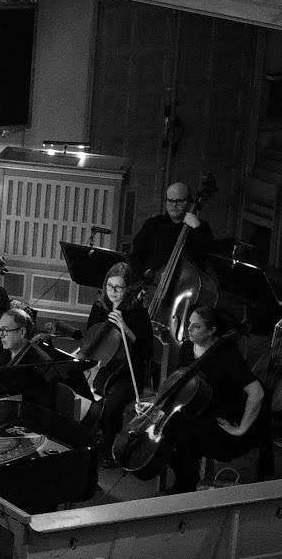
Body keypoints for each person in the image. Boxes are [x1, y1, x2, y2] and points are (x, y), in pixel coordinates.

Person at [164, 307, 268, 494]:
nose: (189, 329)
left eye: (196, 326)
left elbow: (257, 392)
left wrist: (241, 428)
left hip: (221, 418)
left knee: (186, 436)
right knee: (164, 431)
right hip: (195, 408)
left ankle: (185, 486)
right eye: (189, 324)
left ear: (211, 331)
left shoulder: (226, 355)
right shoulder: (187, 348)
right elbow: (180, 383)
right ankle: (186, 480)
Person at [82, 262, 153, 452]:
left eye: (118, 287)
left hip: (128, 373)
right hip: (99, 368)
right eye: (109, 286)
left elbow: (146, 351)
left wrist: (125, 328)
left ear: (128, 288)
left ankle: (110, 448)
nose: (112, 291)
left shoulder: (138, 314)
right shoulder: (99, 307)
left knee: (112, 402)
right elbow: (89, 339)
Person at [130, 182, 215, 279]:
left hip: (187, 284)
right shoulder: (152, 224)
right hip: (153, 282)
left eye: (179, 201)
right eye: (170, 200)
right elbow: (136, 255)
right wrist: (144, 273)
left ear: (188, 202)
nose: (174, 205)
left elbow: (209, 252)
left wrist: (197, 227)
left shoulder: (200, 226)